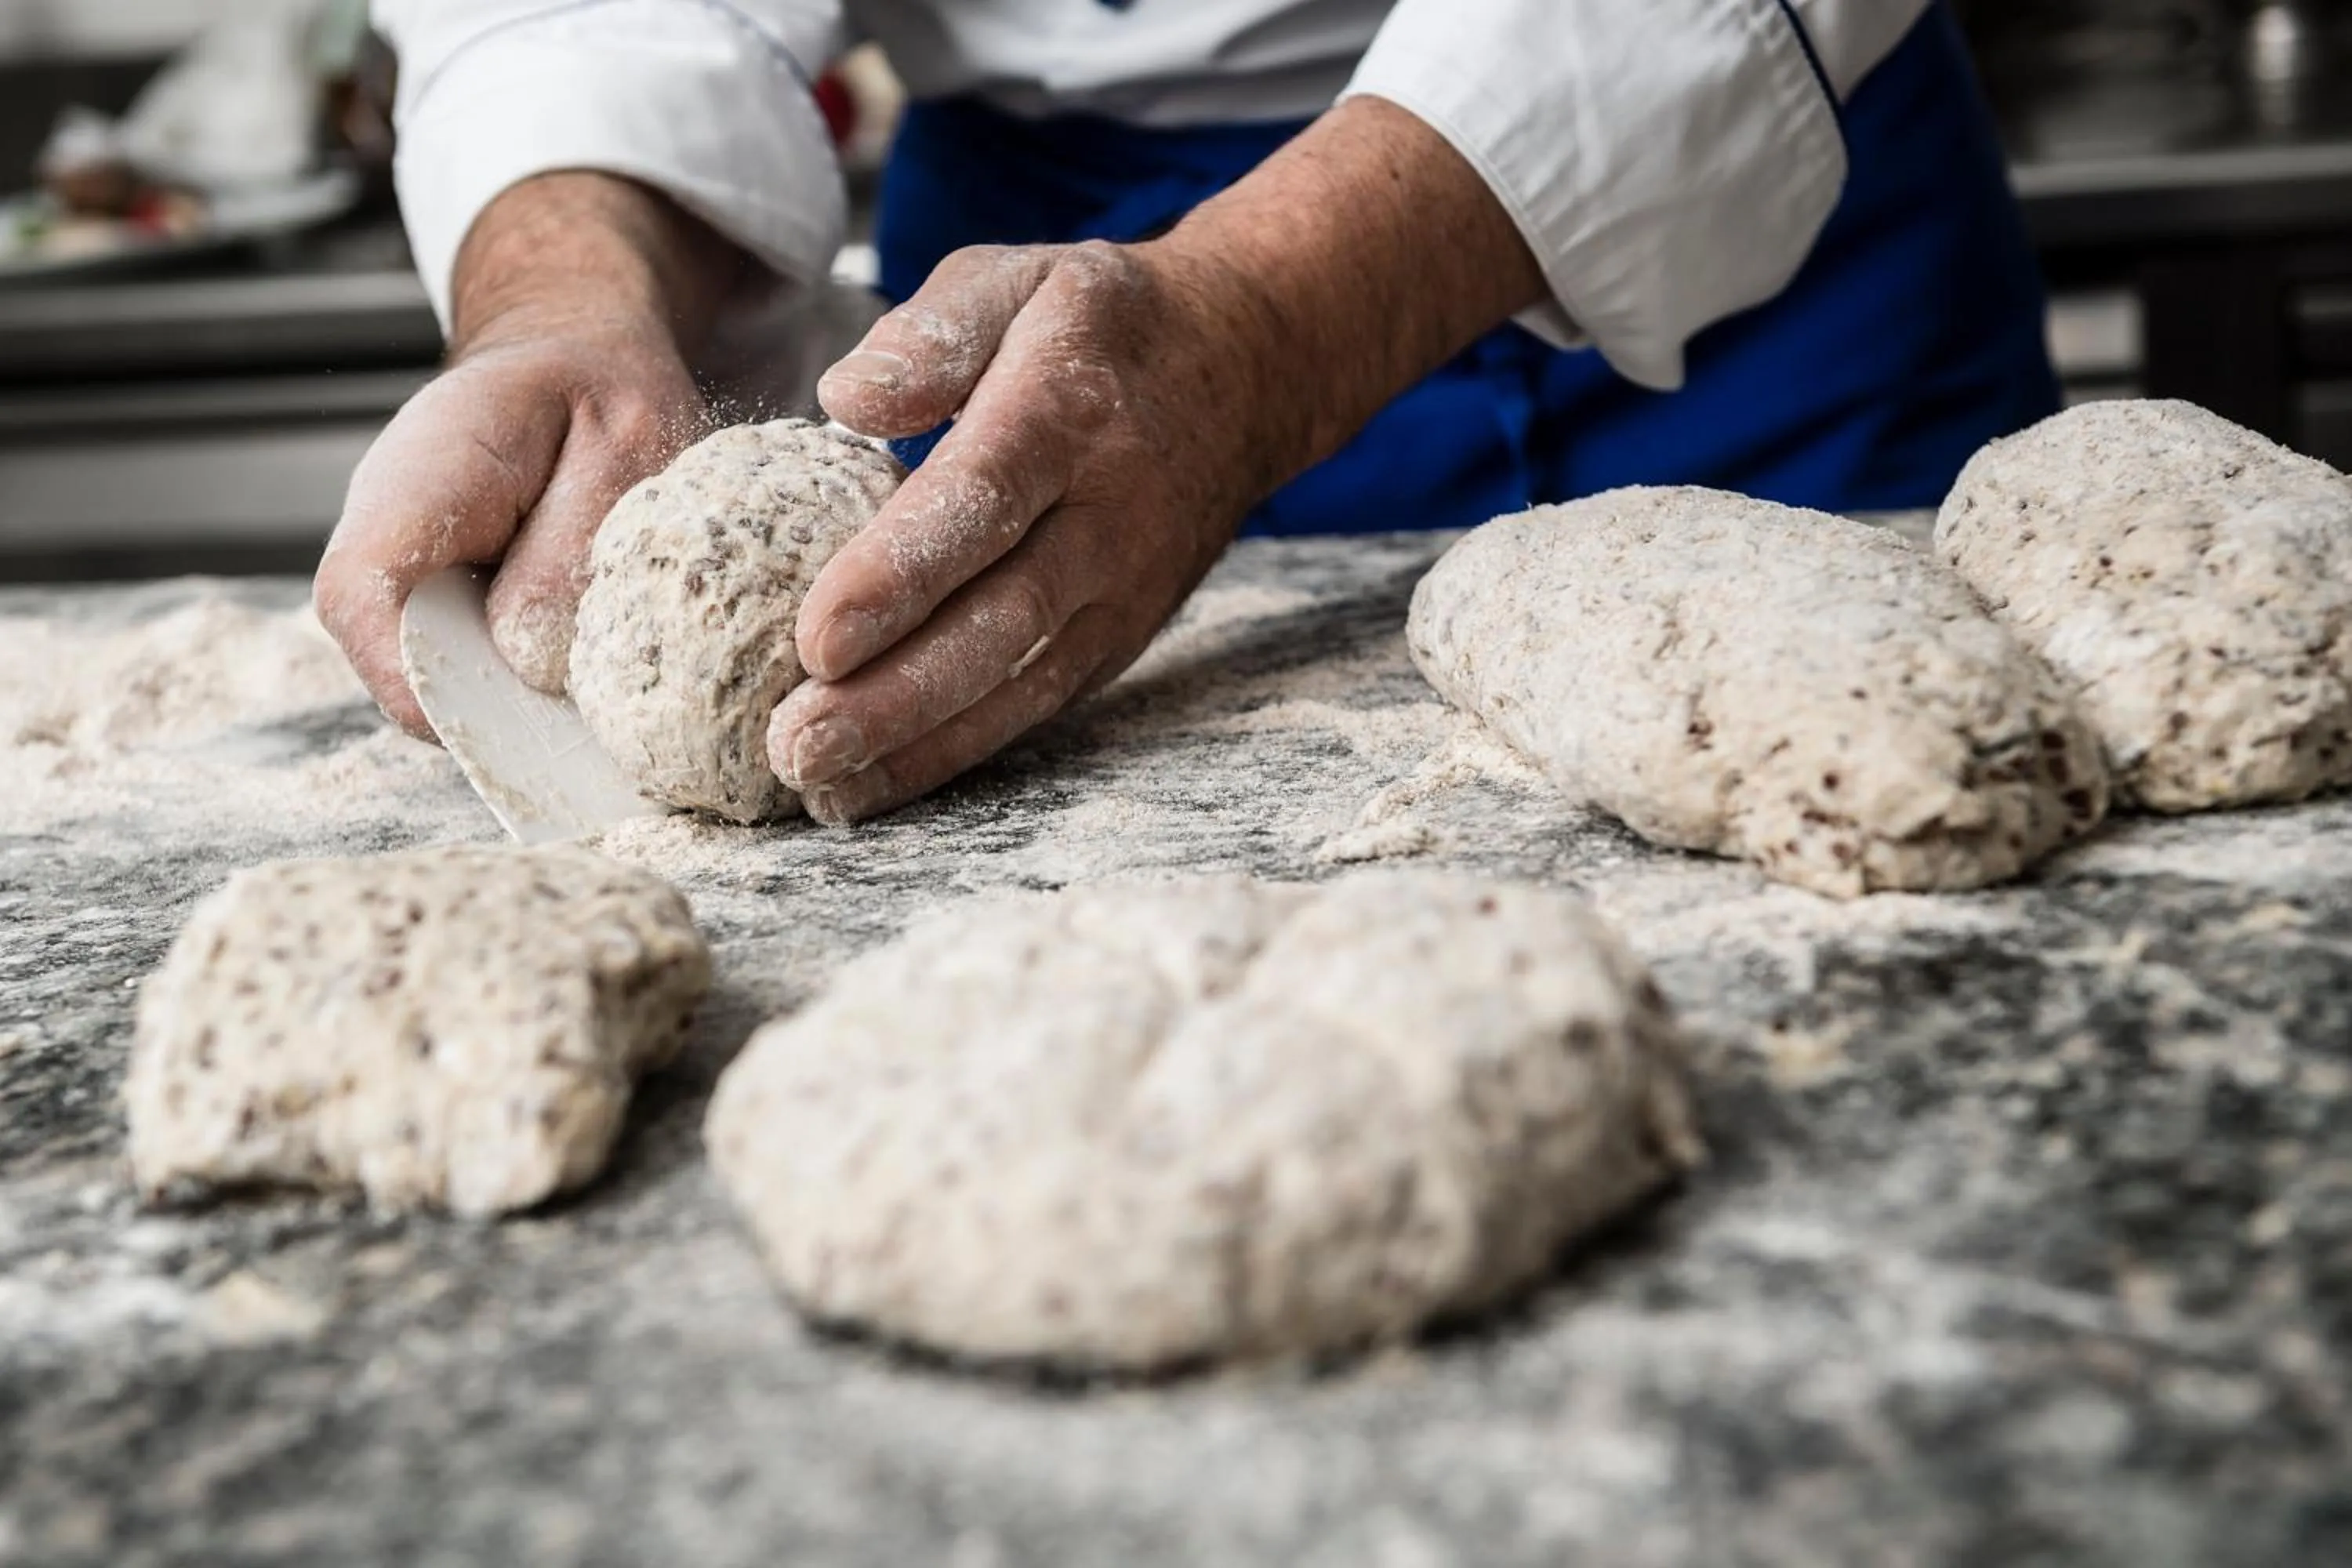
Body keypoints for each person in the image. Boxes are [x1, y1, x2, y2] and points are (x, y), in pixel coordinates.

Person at [317, 0, 2060, 826]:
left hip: (1741, 199)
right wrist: (561, 279)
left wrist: (1265, 322)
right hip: (1040, 265)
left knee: (1920, 791)